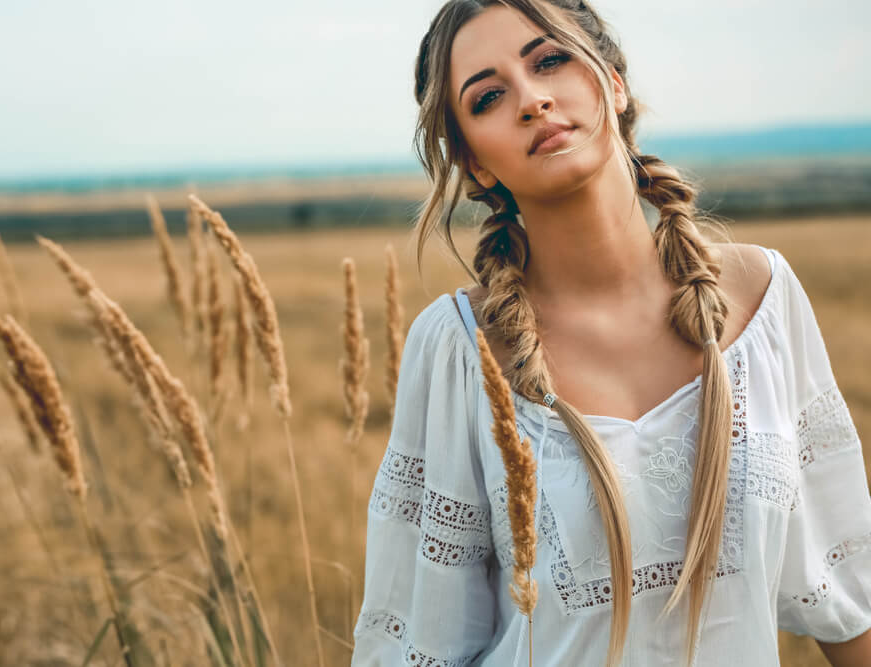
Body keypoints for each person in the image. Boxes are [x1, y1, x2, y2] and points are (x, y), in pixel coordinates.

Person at [351, 1, 871, 666]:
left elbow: (848, 591)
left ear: (613, 82)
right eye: (488, 97)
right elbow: (419, 643)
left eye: (549, 60)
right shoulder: (459, 348)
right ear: (475, 164)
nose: (533, 100)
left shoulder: (763, 303)